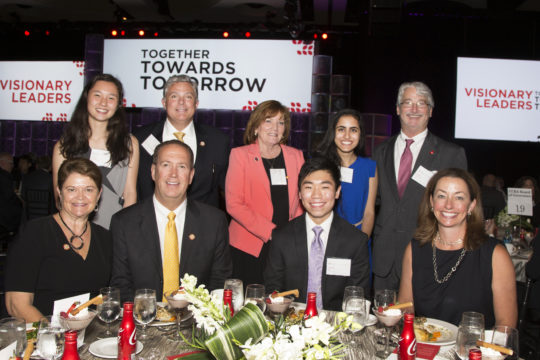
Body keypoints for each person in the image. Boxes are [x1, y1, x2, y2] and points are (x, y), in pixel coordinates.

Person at [372, 81, 467, 291]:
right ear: (398, 109)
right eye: (408, 102)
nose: (414, 109)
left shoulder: (451, 154)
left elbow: (462, 209)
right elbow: (373, 202)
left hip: (427, 256)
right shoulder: (379, 152)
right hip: (384, 260)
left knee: (423, 324)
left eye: (421, 104)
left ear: (430, 111)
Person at [110, 140, 232, 302]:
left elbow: (219, 283)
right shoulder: (124, 223)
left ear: (191, 176)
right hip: (143, 321)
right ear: (153, 172)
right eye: (166, 165)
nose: (173, 174)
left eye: (182, 166)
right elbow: (120, 286)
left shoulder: (214, 222)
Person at [398, 168, 517, 328]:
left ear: (471, 206)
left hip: (473, 351)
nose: (448, 205)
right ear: (432, 202)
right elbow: (406, 307)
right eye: (441, 196)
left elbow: (506, 325)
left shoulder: (495, 255)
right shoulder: (414, 249)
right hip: (424, 347)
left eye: (459, 197)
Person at [4, 158, 112, 322]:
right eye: (72, 189)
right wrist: (56, 337)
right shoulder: (34, 233)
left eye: (89, 189)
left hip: (90, 338)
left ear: (99, 194)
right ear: (59, 192)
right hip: (43, 337)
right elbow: (16, 305)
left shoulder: (105, 238)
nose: (80, 197)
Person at [264, 157, 370, 311]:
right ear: (299, 193)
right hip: (292, 321)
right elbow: (273, 291)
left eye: (324, 187)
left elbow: (358, 297)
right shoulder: (282, 237)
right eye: (308, 187)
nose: (316, 195)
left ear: (337, 192)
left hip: (337, 326)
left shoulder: (355, 240)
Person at [226, 100, 304, 285]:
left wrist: (292, 235)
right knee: (249, 306)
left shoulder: (296, 156)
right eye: (268, 120)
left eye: (281, 122)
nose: (275, 127)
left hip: (287, 246)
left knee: (281, 303)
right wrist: (271, 232)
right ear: (256, 126)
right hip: (249, 246)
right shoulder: (240, 155)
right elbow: (234, 204)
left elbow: (302, 200)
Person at [52, 73, 139, 230]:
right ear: (86, 98)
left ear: (119, 103)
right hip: (76, 230)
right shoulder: (64, 147)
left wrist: (125, 232)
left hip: (115, 229)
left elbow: (130, 194)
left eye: (111, 98)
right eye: (97, 95)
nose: (103, 103)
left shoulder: (129, 144)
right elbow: (60, 198)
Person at [135, 74, 230, 208]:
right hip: (150, 221)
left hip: (202, 223)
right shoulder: (139, 139)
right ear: (164, 102)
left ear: (196, 104)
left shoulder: (218, 141)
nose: (181, 102)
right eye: (174, 96)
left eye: (188, 97)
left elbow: (228, 190)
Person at [315, 109, 378, 237]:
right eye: (341, 129)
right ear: (333, 132)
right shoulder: (320, 165)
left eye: (353, 130)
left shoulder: (370, 167)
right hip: (325, 236)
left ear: (360, 134)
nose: (347, 136)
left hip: (359, 235)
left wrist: (361, 243)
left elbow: (369, 212)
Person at [21, 155, 54, 220]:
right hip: (48, 216)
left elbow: (23, 196)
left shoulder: (27, 177)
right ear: (50, 167)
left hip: (29, 216)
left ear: (36, 166)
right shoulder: (52, 179)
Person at [0, 152, 22, 236]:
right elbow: (9, 196)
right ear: (2, 163)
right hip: (4, 216)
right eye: (10, 163)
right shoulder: (5, 176)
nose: (12, 166)